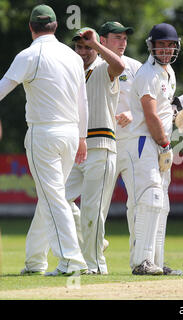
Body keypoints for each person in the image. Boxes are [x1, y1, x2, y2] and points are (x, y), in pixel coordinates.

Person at [0, 4, 88, 275]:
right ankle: (35, 261)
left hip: (44, 133)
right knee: (51, 196)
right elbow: (82, 100)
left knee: (52, 198)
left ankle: (72, 262)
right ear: (54, 26)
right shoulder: (72, 56)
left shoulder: (29, 55)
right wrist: (82, 137)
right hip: (71, 133)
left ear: (31, 28)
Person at [126, 23, 183, 275]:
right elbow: (150, 116)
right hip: (143, 142)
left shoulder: (168, 72)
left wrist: (177, 113)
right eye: (161, 45)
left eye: (169, 45)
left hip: (160, 142)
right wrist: (164, 144)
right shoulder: (146, 74)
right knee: (150, 199)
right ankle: (142, 262)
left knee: (162, 203)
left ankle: (157, 262)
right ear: (151, 46)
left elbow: (162, 110)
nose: (165, 49)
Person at [64, 26, 125, 274]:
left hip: (101, 147)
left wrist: (97, 45)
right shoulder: (73, 74)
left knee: (93, 209)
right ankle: (97, 244)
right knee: (57, 200)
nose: (83, 51)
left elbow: (119, 67)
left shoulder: (103, 68)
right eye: (79, 47)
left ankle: (96, 265)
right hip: (77, 150)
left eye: (87, 47)